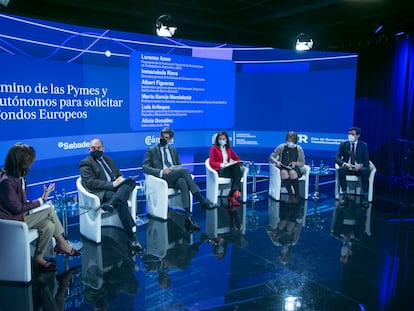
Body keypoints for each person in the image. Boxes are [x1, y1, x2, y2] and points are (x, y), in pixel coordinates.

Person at [0, 143, 80, 271]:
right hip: (12, 221)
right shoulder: (7, 181)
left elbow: (20, 202)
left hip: (20, 214)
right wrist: (41, 201)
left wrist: (43, 196)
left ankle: (38, 256)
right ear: (21, 162)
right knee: (48, 209)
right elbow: (16, 208)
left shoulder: (19, 176)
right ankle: (63, 244)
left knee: (49, 225)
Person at [142, 127, 219, 231]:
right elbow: (145, 167)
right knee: (185, 171)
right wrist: (161, 172)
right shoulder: (151, 150)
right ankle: (202, 200)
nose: (163, 139)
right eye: (162, 137)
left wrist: (175, 169)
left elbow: (179, 165)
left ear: (170, 139)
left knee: (183, 182)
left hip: (174, 176)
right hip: (162, 178)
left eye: (166, 138)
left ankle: (188, 217)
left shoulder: (173, 150)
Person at [79, 138, 142, 253]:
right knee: (120, 201)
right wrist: (112, 184)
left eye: (98, 148)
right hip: (102, 191)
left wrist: (121, 179)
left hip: (115, 189)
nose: (96, 150)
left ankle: (112, 203)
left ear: (102, 148)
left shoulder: (108, 159)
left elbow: (117, 174)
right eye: (93, 148)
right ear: (89, 149)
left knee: (131, 182)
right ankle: (133, 238)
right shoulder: (85, 163)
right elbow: (91, 183)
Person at [335, 127, 370, 207]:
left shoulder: (363, 145)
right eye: (349, 134)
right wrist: (344, 163)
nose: (350, 136)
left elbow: (366, 161)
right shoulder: (343, 144)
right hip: (348, 167)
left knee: (365, 171)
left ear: (358, 136)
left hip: (359, 168)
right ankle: (344, 195)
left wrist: (360, 165)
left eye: (352, 134)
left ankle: (365, 197)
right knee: (341, 170)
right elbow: (336, 157)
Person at [269, 131, 306, 204]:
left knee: (292, 173)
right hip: (283, 167)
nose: (289, 142)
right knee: (284, 173)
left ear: (295, 141)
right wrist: (276, 162)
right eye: (288, 140)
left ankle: (297, 194)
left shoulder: (299, 149)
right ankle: (290, 195)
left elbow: (302, 162)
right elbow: (271, 157)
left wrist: (296, 163)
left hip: (294, 168)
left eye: (291, 141)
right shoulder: (281, 147)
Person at [209, 131, 244, 206]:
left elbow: (237, 158)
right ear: (217, 140)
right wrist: (222, 164)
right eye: (220, 139)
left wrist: (233, 162)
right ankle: (233, 193)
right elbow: (211, 163)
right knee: (238, 172)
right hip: (220, 170)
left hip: (228, 169)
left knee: (236, 168)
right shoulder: (214, 148)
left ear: (227, 140)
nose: (222, 140)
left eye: (223, 139)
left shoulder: (228, 149)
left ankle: (233, 193)